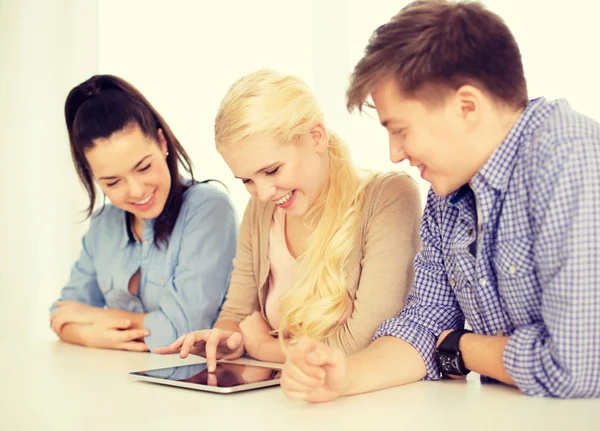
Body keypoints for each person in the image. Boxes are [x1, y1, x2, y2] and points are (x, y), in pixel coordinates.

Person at [280, 0, 600, 401]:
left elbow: (576, 368)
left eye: (400, 129)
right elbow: (425, 324)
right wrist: (345, 376)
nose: (395, 154)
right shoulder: (446, 197)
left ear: (467, 106)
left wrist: (464, 348)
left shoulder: (572, 160)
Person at [156, 69, 421, 370]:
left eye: (272, 171)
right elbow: (237, 313)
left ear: (316, 137)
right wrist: (227, 340)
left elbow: (368, 340)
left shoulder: (389, 198)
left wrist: (267, 349)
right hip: (285, 397)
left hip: (365, 403)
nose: (264, 192)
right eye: (246, 180)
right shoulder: (261, 209)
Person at [50, 75, 237, 352]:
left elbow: (182, 331)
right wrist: (90, 336)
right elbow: (62, 313)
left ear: (162, 143)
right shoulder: (104, 223)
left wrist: (98, 318)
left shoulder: (208, 208)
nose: (136, 191)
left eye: (143, 167)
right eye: (112, 182)